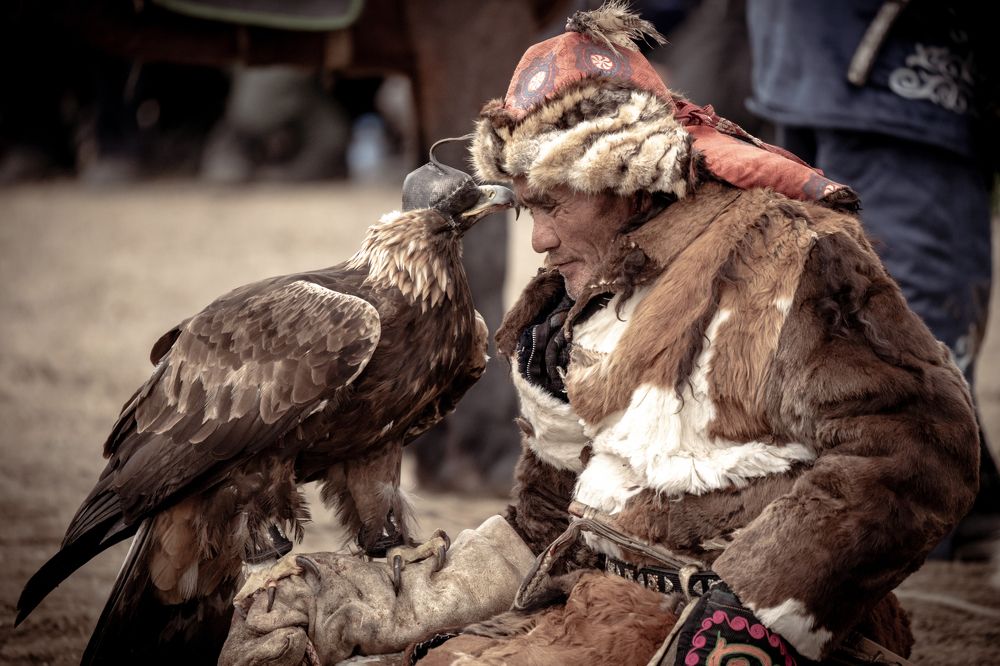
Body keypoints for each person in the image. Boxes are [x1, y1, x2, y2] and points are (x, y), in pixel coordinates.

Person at [221, 4, 980, 665]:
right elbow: (551, 521)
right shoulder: (572, 304)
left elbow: (921, 448)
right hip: (597, 602)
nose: (540, 241)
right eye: (528, 210)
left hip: (746, 616)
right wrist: (401, 607)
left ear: (626, 175)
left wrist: (744, 632)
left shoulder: (788, 258)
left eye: (555, 204)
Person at [744, 0, 999, 558]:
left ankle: (904, 515)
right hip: (896, 75)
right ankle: (904, 532)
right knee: (913, 308)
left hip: (818, 63)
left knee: (820, 304)